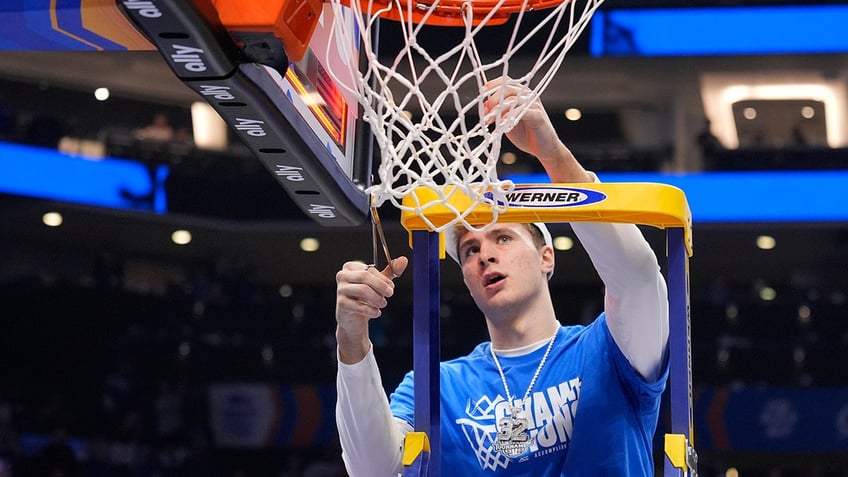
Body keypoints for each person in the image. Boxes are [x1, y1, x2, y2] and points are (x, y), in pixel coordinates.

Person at [334, 80, 669, 476]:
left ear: (547, 257)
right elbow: (375, 471)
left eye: (503, 237)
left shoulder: (609, 349)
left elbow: (640, 280)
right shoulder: (439, 386)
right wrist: (351, 339)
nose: (485, 255)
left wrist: (553, 156)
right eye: (470, 250)